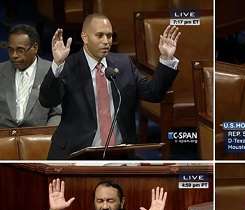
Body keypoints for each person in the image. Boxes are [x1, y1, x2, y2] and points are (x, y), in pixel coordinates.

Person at [38, 13, 180, 159]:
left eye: (109, 36)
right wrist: (57, 65)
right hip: (77, 153)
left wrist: (166, 59)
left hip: (119, 154)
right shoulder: (69, 66)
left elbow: (154, 93)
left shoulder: (123, 64)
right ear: (85, 37)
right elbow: (47, 100)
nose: (106, 41)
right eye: (99, 36)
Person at [0, 24, 61, 128]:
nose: (14, 55)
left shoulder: (52, 71)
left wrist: (46, 136)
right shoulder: (1, 71)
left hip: (38, 138)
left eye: (20, 50)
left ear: (35, 48)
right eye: (10, 50)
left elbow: (58, 113)